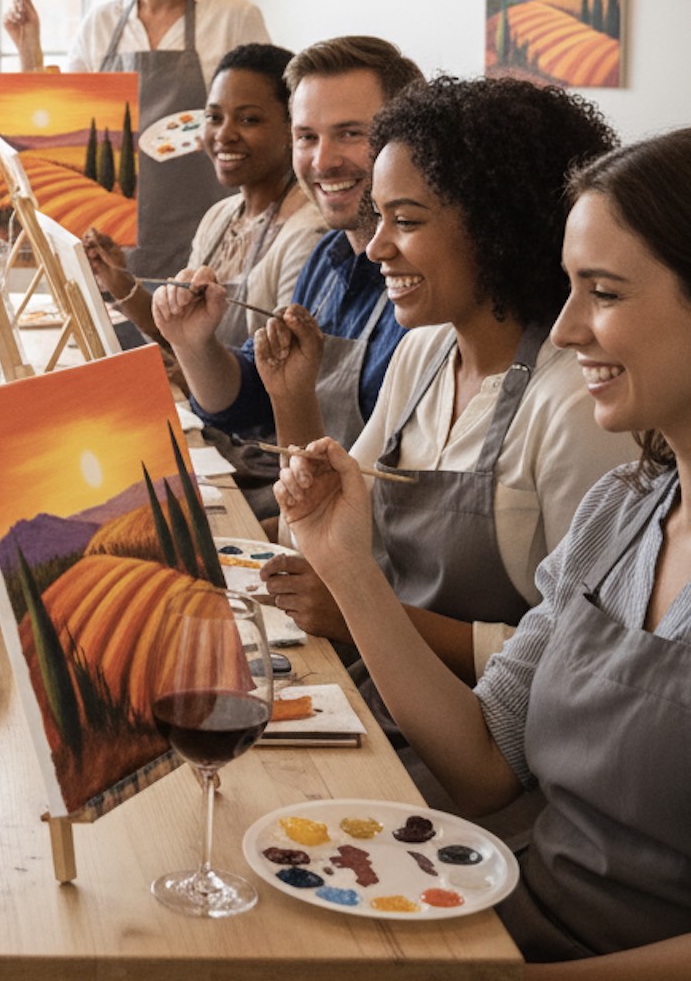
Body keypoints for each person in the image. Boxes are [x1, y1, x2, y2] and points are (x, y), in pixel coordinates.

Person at [276, 128, 691, 968]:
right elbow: (485, 765)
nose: (569, 329)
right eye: (570, 288)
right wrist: (347, 565)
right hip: (514, 913)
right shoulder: (622, 514)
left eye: (602, 292)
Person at [258, 76, 628, 688]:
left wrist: (363, 613)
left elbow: (578, 661)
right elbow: (325, 538)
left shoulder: (575, 404)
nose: (376, 247)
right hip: (390, 700)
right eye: (378, 217)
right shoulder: (423, 352)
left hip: (498, 744)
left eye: (405, 221)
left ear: (496, 228)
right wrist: (292, 410)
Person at [154, 35, 420, 458]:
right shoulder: (327, 257)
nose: (322, 161)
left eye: (350, 133)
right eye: (307, 137)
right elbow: (252, 399)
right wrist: (193, 343)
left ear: (407, 140)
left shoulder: (422, 284)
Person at [3, 0, 269, 278]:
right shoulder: (102, 24)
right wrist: (28, 47)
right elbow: (63, 122)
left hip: (211, 227)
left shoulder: (233, 16)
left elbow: (271, 118)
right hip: (114, 237)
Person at [84, 42, 324, 349]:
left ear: (293, 128)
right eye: (214, 117)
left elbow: (287, 368)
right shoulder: (220, 217)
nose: (224, 134)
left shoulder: (308, 234)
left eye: (249, 119)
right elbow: (181, 338)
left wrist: (187, 378)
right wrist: (118, 280)